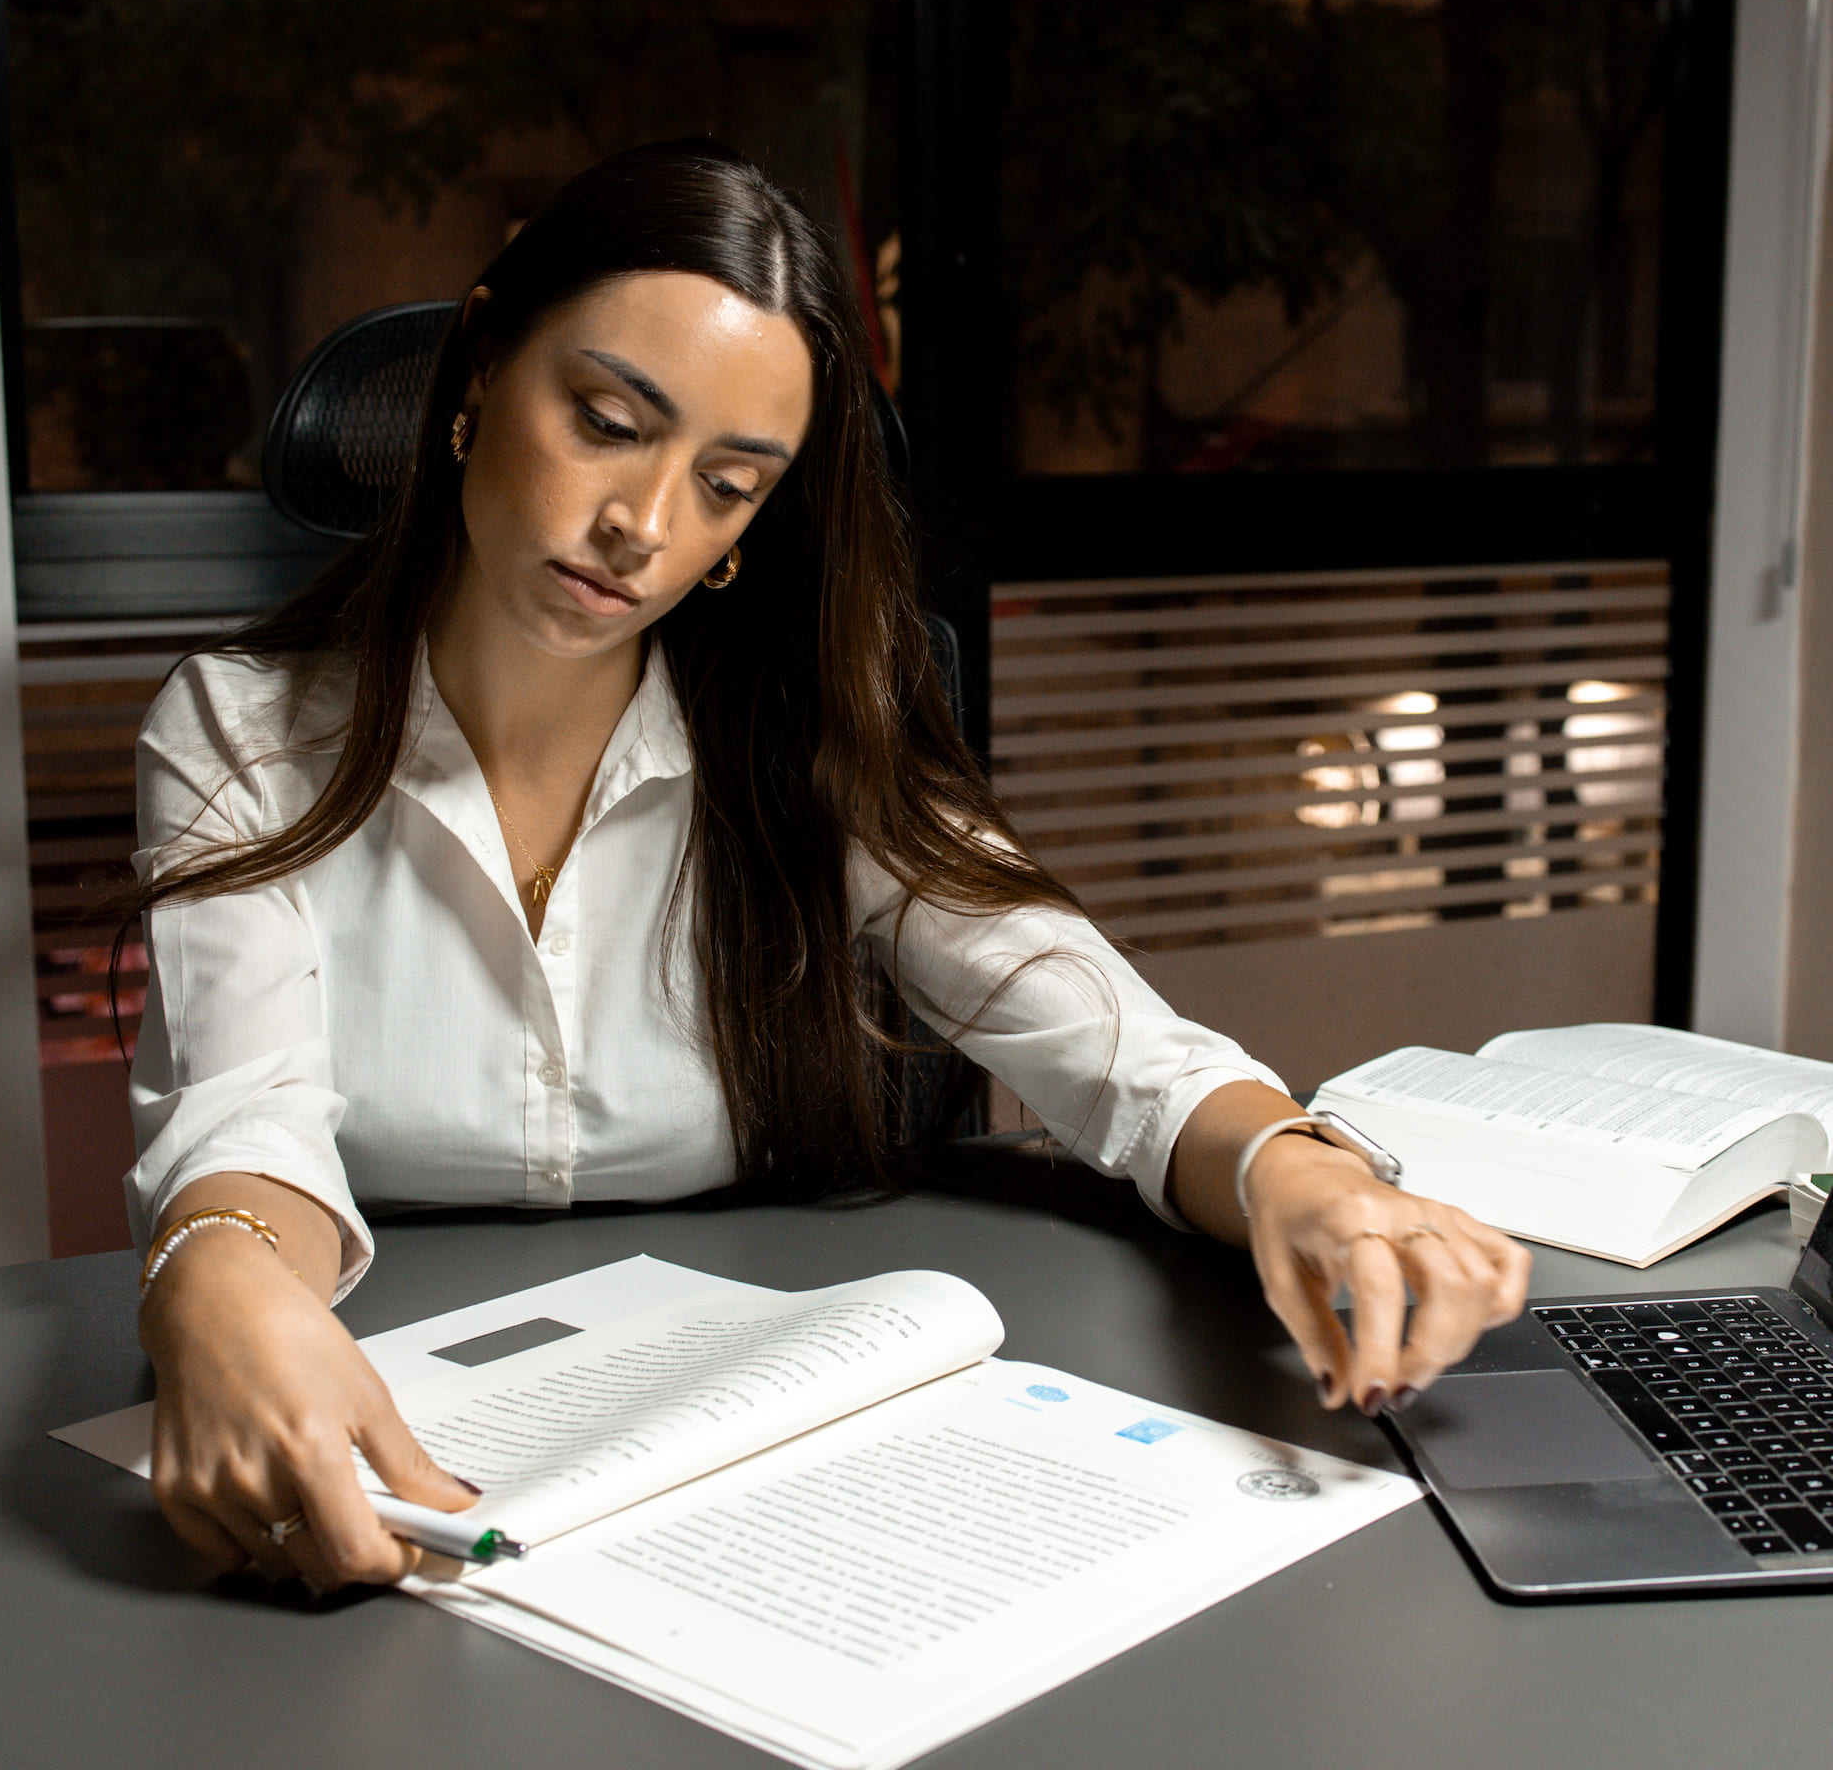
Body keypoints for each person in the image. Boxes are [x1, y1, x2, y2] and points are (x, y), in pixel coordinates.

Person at [124, 139, 1530, 1596]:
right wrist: (218, 1266)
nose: (646, 528)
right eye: (608, 420)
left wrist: (1293, 1173)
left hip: (759, 1456)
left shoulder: (811, 726)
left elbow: (1117, 1050)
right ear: (480, 366)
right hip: (420, 1424)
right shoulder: (241, 730)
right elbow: (245, 1117)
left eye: (728, 486)